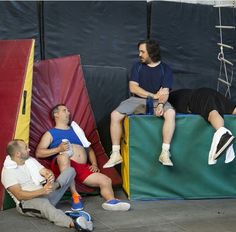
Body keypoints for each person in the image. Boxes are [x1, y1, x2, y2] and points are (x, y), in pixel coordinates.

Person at [35, 104, 130, 211]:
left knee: (106, 180)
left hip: (82, 167)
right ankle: (75, 196)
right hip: (64, 164)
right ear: (56, 114)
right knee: (63, 157)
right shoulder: (50, 133)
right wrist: (58, 149)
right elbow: (39, 152)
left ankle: (111, 201)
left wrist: (94, 164)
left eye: (68, 110)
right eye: (64, 110)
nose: (68, 112)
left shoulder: (76, 130)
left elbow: (89, 149)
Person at [103, 39, 176, 168]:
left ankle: (165, 152)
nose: (139, 54)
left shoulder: (166, 69)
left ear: (151, 53)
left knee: (170, 113)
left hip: (157, 102)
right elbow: (133, 88)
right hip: (137, 100)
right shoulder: (138, 66)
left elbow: (164, 93)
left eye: (142, 51)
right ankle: (115, 154)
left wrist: (159, 104)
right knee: (115, 115)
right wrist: (153, 95)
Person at [1, 139, 93, 231]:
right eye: (26, 148)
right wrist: (43, 190)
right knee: (45, 204)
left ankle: (54, 203)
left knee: (70, 171)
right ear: (18, 154)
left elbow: (44, 171)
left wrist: (49, 175)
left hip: (45, 194)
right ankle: (74, 223)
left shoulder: (30, 161)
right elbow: (20, 195)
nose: (29, 149)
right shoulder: (8, 172)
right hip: (27, 202)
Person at [168, 87, 236, 160]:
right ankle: (223, 134)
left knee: (212, 112)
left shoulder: (167, 99)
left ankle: (223, 135)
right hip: (209, 92)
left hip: (197, 96)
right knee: (230, 108)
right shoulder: (172, 97)